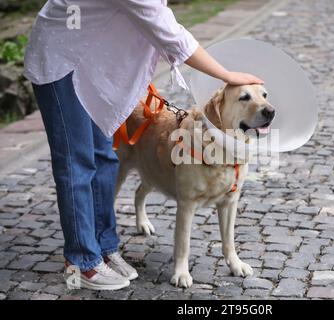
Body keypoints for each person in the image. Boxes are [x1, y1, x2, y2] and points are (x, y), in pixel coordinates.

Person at [24, 0, 263, 291]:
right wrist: (227, 76)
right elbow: (168, 31)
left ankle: (104, 246)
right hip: (63, 59)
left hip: (94, 63)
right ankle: (83, 262)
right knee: (78, 164)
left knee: (105, 156)